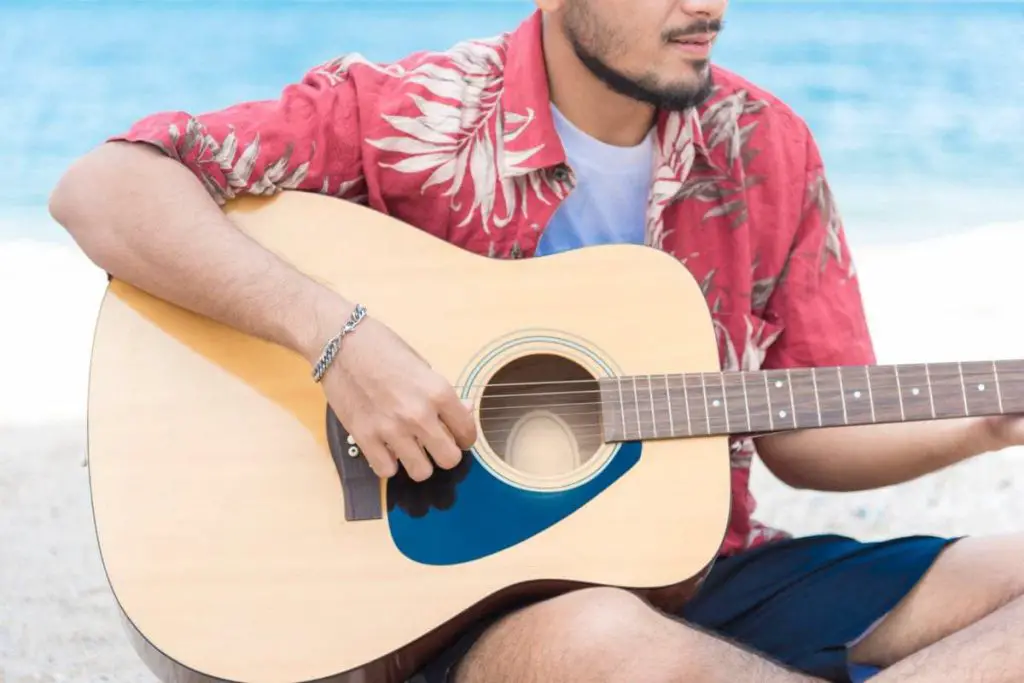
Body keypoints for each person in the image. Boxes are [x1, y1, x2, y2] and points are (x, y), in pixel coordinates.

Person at [49, 1, 1023, 681]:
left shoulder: (765, 145)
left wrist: (981, 423)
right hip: (443, 609)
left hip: (704, 568)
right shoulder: (406, 115)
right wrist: (338, 342)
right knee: (603, 636)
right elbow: (105, 188)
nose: (706, 6)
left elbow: (801, 430)